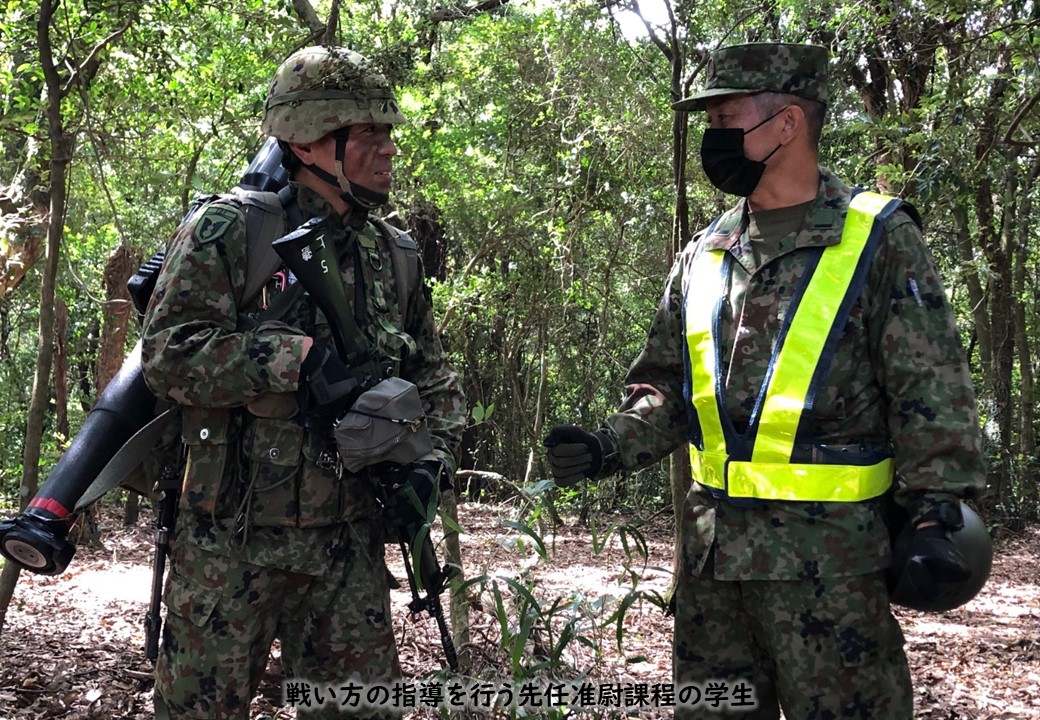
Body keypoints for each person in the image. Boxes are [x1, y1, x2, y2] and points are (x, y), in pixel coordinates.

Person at [543, 43, 985, 719]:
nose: (712, 139)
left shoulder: (878, 239)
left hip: (830, 573)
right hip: (713, 574)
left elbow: (931, 389)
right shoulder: (704, 254)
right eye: (709, 123)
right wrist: (607, 445)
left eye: (726, 119)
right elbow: (666, 386)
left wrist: (938, 510)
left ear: (787, 125)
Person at [141, 46, 467, 719]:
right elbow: (169, 355)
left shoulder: (394, 254)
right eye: (368, 135)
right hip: (229, 545)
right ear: (311, 141)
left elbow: (434, 383)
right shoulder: (229, 230)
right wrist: (289, 358)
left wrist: (430, 465)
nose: (387, 152)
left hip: (348, 547)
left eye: (389, 134)